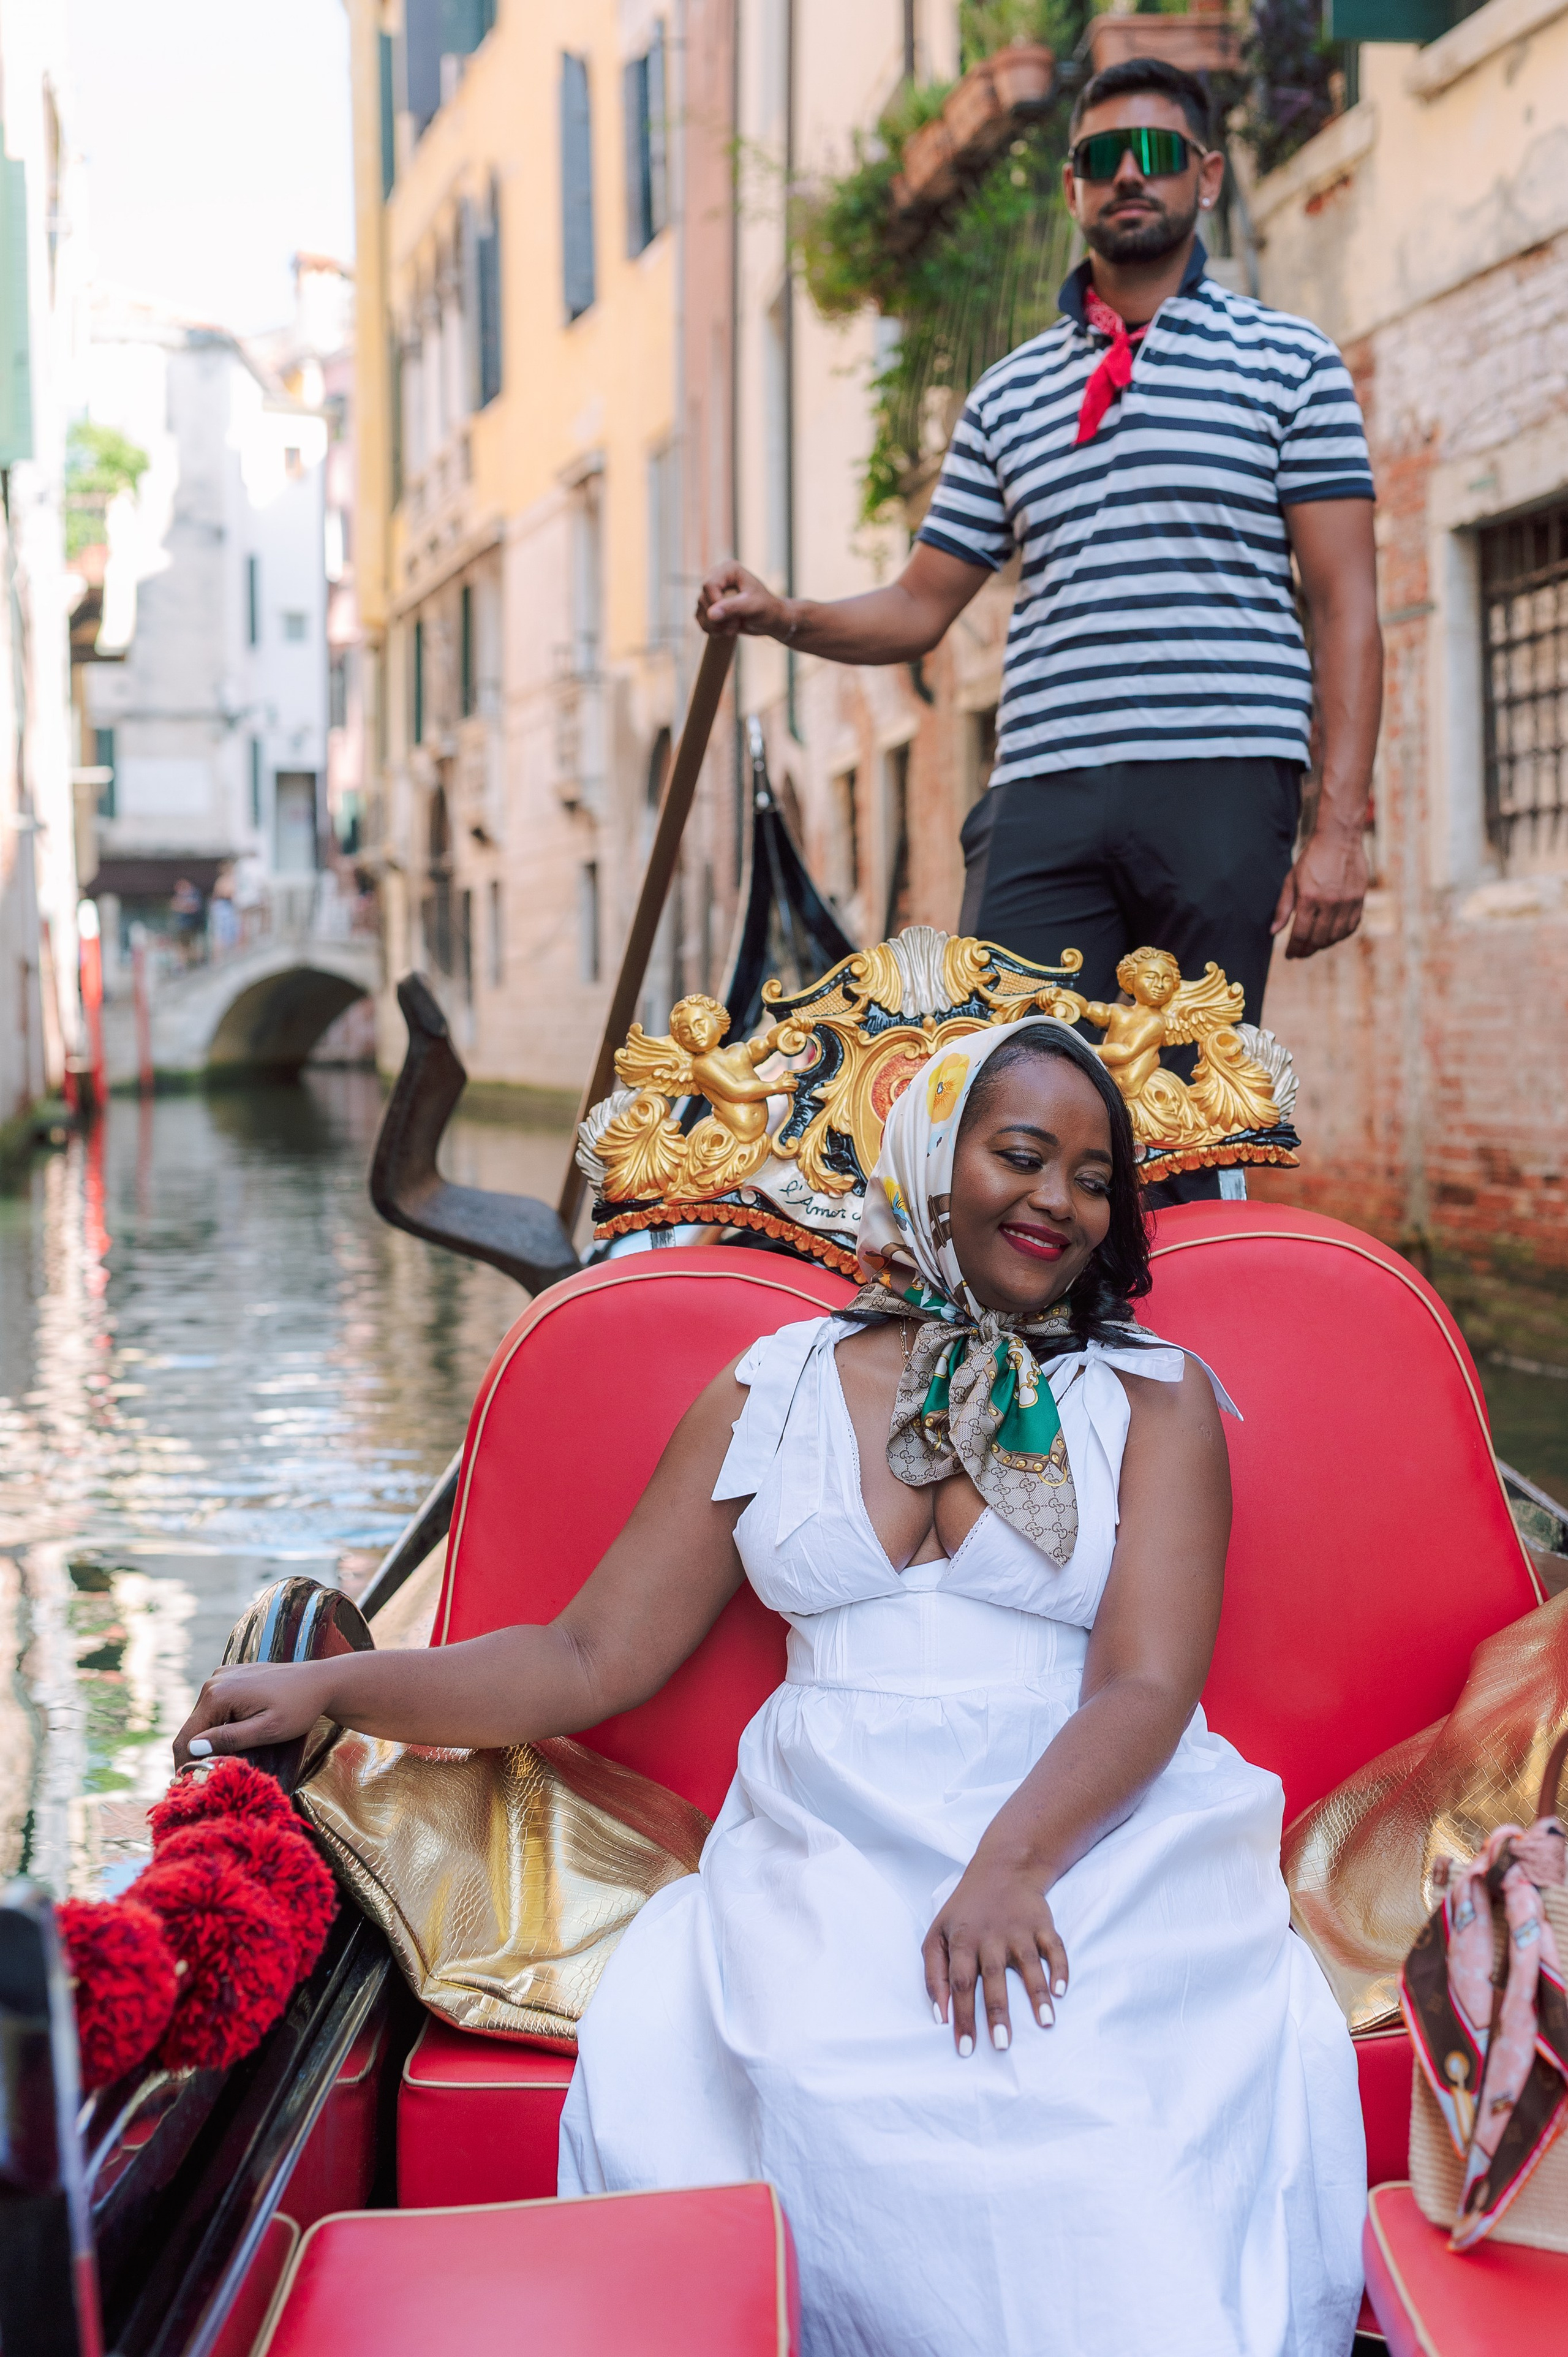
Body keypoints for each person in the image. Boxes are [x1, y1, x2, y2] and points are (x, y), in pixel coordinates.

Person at [175, 1020, 1365, 2356]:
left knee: (1081, 2090)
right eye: (1022, 1156)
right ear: (930, 1157)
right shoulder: (773, 1386)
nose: (1060, 1201)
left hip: (1088, 1820)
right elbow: (586, 1656)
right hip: (830, 1834)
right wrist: (334, 1683)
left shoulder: (1156, 1398)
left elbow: (1145, 1684)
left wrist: (1012, 1863)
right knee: (826, 2069)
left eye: (1094, 1179)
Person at [696, 56, 1382, 1199]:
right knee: (1006, 1095)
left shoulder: (1291, 362)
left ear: (1208, 176)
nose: (1128, 175)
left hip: (1219, 783)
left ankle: (1179, 1311)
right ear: (1072, 189)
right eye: (1100, 158)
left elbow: (1349, 605)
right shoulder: (1007, 395)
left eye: (1156, 153)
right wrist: (787, 614)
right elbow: (920, 604)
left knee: (1190, 1114)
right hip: (1043, 792)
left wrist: (1341, 829)